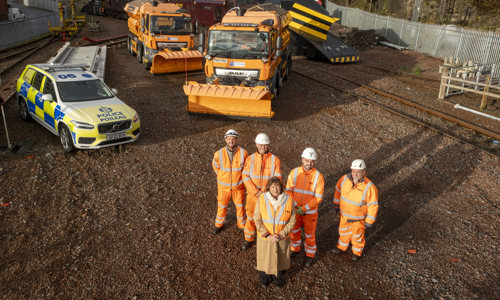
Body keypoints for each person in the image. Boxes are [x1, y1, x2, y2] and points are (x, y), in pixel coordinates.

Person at [332, 159, 379, 261]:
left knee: (357, 236)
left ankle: (357, 252)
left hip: (358, 219)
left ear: (364, 172)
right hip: (344, 215)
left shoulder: (370, 187)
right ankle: (341, 246)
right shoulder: (344, 179)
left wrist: (369, 221)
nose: (355, 174)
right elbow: (337, 191)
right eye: (353, 171)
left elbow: (373, 205)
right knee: (343, 232)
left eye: (358, 171)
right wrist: (336, 205)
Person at [241, 133, 282, 250]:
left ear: (268, 145)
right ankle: (248, 238)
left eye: (265, 145)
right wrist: (256, 192)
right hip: (252, 197)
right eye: (260, 145)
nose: (262, 147)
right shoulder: (250, 159)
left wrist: (267, 193)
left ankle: (262, 239)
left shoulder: (275, 160)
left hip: (267, 197)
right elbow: (245, 177)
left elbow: (277, 179)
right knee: (250, 217)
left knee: (265, 220)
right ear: (256, 144)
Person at [254, 177, 296, 288]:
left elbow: (292, 219)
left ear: (281, 187)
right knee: (264, 262)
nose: (275, 189)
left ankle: (279, 281)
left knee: (281, 264)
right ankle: (265, 280)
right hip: (266, 239)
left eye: (277, 186)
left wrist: (282, 234)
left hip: (281, 238)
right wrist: (268, 235)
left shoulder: (289, 199)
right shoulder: (262, 198)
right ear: (269, 188)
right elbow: (257, 218)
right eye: (272, 186)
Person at [285, 148, 324, 267]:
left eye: (311, 161)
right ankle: (295, 248)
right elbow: (288, 190)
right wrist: (296, 206)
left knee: (309, 234)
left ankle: (309, 255)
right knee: (294, 231)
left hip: (310, 213)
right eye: (307, 160)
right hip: (296, 210)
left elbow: (318, 198)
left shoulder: (318, 177)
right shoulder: (294, 173)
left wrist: (304, 208)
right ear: (302, 159)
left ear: (314, 162)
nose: (309, 163)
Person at [212, 129, 249, 234]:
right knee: (221, 206)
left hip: (238, 187)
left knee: (240, 207)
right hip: (223, 187)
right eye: (229, 139)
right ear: (225, 140)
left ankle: (241, 225)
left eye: (233, 139)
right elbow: (215, 167)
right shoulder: (218, 153)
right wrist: (222, 177)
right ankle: (219, 224)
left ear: (237, 140)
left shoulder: (244, 153)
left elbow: (246, 170)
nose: (231, 141)